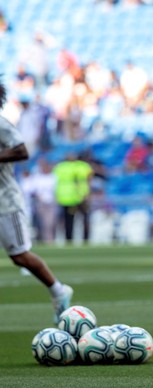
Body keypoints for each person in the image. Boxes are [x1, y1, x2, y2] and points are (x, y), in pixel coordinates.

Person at [0, 80, 73, 323]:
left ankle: (59, 291)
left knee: (20, 256)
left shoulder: (0, 124)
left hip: (5, 202)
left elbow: (22, 151)